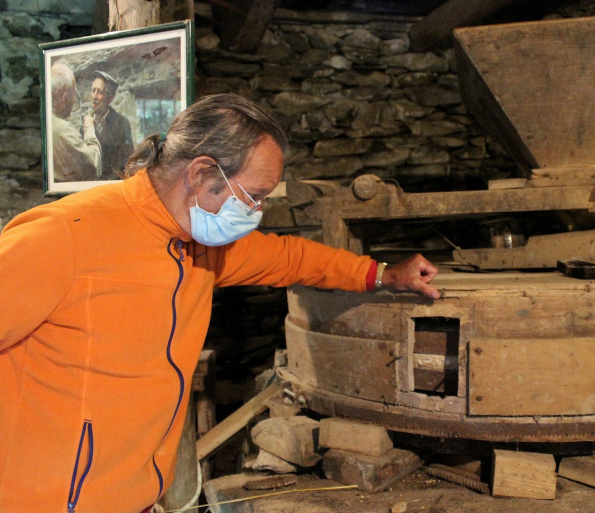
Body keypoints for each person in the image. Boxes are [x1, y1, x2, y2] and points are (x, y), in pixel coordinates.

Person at [0, 93, 440, 512]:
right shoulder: (64, 236)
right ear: (201, 172)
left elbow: (288, 258)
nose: (258, 210)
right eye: (255, 195)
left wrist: (383, 274)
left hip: (132, 499)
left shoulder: (196, 245)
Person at [50, 62, 101, 181]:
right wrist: (89, 128)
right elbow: (94, 164)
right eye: (74, 95)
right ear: (65, 97)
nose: (74, 101)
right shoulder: (62, 129)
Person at [85, 70, 135, 179]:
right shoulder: (85, 124)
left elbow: (127, 161)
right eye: (93, 91)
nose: (94, 96)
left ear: (110, 99)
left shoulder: (122, 123)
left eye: (99, 92)